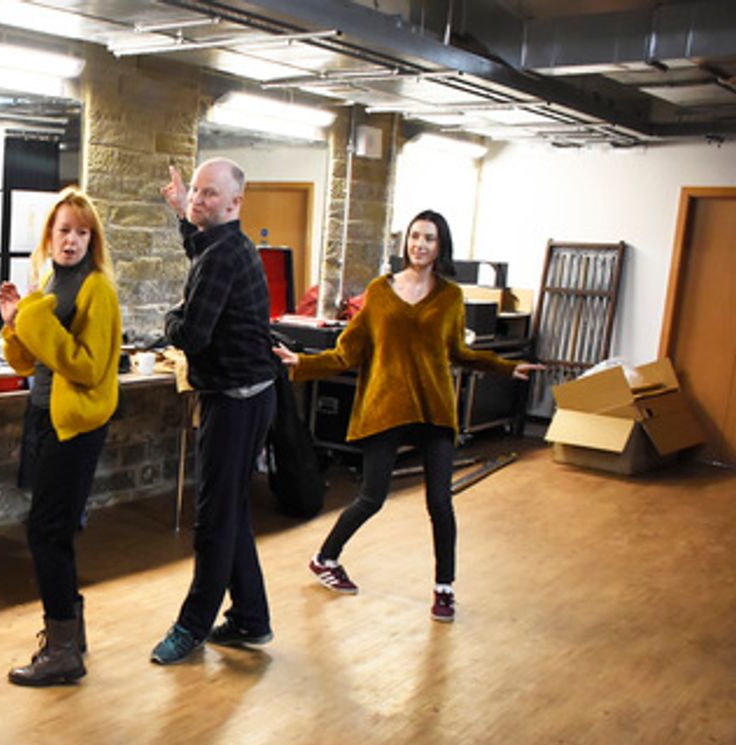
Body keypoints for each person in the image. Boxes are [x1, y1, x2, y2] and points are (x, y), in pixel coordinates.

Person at [274, 209, 543, 622]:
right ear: (406, 244)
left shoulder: (451, 297)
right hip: (386, 407)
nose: (420, 244)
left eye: (429, 238)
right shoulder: (380, 293)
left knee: (440, 502)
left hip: (434, 409)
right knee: (372, 497)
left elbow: (459, 352)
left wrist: (507, 367)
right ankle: (325, 558)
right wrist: (301, 362)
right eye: (415, 236)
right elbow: (349, 351)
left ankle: (444, 589)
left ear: (440, 246)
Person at [150, 158, 285, 665]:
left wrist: (170, 316)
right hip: (246, 397)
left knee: (212, 522)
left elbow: (193, 335)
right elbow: (198, 243)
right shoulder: (222, 243)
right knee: (231, 514)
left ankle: (192, 626)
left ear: (235, 203)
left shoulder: (223, 257)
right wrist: (182, 210)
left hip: (237, 403)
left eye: (210, 194)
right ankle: (251, 618)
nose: (199, 200)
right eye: (197, 192)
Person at [0, 187, 122, 687]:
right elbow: (27, 361)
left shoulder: (96, 289)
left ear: (93, 240)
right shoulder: (50, 283)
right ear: (49, 234)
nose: (71, 239)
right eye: (63, 229)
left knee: (46, 532)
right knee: (54, 530)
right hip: (43, 418)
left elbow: (87, 367)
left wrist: (30, 317)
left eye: (82, 232)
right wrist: (13, 324)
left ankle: (64, 651)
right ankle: (72, 635)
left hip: (75, 427)